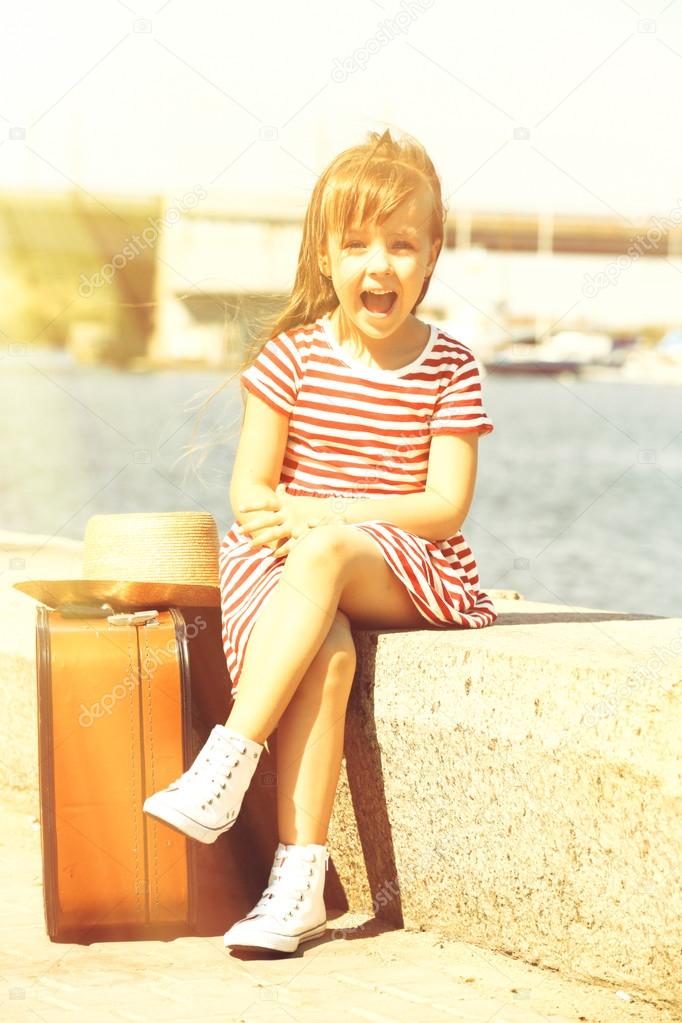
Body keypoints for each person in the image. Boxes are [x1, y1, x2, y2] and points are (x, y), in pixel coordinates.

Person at [143, 127, 498, 954]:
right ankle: (298, 882)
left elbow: (446, 506)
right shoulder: (289, 358)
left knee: (329, 551)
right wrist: (284, 518)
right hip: (291, 565)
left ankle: (229, 759)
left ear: (434, 251)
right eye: (358, 245)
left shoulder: (450, 367)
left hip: (406, 566)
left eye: (404, 244)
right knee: (327, 654)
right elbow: (251, 490)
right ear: (326, 254)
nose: (381, 265)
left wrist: (328, 511)